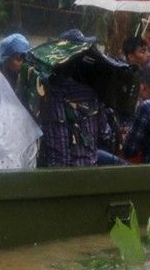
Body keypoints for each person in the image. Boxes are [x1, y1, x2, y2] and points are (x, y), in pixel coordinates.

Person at [39, 29, 124, 167]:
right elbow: (105, 134)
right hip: (87, 169)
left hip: (55, 173)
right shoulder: (90, 93)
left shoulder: (45, 92)